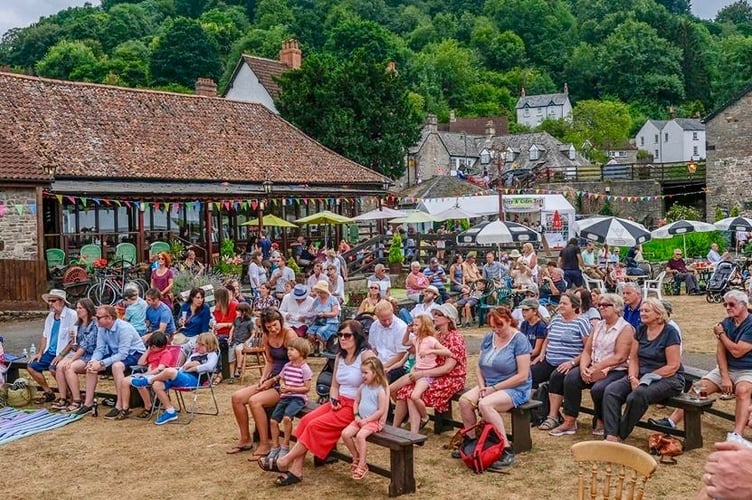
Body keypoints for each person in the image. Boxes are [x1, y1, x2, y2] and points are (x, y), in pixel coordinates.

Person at [257, 320, 376, 486]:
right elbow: (335, 385)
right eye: (339, 335)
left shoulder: (366, 355)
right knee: (306, 421)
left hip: (357, 406)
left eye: (347, 335)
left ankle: (285, 461)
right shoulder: (341, 356)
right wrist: (333, 398)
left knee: (314, 426)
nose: (342, 338)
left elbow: (378, 384)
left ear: (357, 336)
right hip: (339, 401)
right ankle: (296, 470)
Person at [651, 290, 752, 441]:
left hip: (747, 370)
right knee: (698, 386)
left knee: (743, 391)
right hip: (727, 369)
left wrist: (721, 334)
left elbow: (737, 351)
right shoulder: (726, 322)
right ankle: (671, 422)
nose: (728, 307)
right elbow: (720, 352)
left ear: (744, 305)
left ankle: (737, 434)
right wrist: (724, 376)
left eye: (731, 304)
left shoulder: (748, 325)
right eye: (725, 304)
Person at [455, 307, 532, 471]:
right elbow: (479, 365)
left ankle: (505, 448)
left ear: (509, 321)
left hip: (514, 387)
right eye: (493, 327)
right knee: (464, 401)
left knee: (485, 405)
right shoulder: (490, 337)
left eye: (500, 326)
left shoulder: (520, 340)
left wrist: (494, 388)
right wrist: (483, 386)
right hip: (490, 383)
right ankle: (471, 440)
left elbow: (523, 375)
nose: (497, 330)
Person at [548, 293, 634, 437]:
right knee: (570, 378)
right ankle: (570, 421)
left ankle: (601, 420)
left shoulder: (625, 328)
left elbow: (620, 356)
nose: (602, 308)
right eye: (600, 305)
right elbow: (587, 350)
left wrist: (596, 368)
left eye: (606, 305)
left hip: (615, 369)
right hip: (593, 365)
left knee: (599, 389)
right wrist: (583, 369)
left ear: (617, 308)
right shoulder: (598, 325)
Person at [602, 298, 684, 442]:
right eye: (641, 310)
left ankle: (620, 435)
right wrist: (633, 377)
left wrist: (646, 379)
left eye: (646, 311)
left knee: (638, 395)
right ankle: (610, 434)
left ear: (658, 314)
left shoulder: (670, 332)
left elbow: (673, 365)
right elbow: (633, 358)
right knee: (611, 391)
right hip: (641, 373)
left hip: (668, 377)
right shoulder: (640, 330)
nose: (642, 313)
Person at [227, 308, 297, 457]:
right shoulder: (267, 336)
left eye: (275, 325)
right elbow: (270, 362)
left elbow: (297, 364)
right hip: (273, 378)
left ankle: (266, 444)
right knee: (237, 397)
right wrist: (263, 379)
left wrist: (273, 380)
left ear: (281, 322)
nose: (272, 329)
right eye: (269, 327)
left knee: (255, 401)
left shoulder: (289, 335)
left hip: (289, 382)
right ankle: (245, 439)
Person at [392, 303, 467, 434]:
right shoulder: (437, 335)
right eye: (435, 314)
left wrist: (422, 373)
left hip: (451, 378)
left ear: (449, 319)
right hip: (432, 373)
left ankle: (414, 430)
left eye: (439, 315)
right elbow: (415, 349)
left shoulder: (455, 339)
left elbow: (448, 369)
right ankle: (398, 428)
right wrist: (417, 368)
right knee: (405, 390)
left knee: (411, 393)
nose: (435, 317)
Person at [533, 292, 591, 430]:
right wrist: (542, 354)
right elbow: (548, 338)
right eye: (560, 303)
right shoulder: (556, 319)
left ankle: (552, 417)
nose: (560, 306)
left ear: (574, 306)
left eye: (564, 303)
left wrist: (572, 362)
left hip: (569, 362)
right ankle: (534, 412)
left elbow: (588, 348)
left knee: (556, 377)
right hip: (550, 359)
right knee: (531, 374)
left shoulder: (581, 322)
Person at [133, 332, 219, 425]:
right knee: (157, 384)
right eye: (197, 343)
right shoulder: (194, 355)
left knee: (169, 371)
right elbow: (184, 367)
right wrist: (190, 365)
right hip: (183, 376)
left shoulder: (211, 354)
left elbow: (210, 367)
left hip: (194, 380)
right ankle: (170, 411)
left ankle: (148, 380)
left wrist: (196, 367)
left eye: (201, 345)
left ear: (210, 345)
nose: (198, 346)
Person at [85, 305, 146, 420]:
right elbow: (99, 349)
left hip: (135, 354)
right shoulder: (102, 328)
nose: (96, 320)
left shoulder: (124, 328)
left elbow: (123, 354)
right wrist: (93, 361)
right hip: (117, 353)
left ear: (109, 318)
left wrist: (102, 363)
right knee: (92, 367)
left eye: (98, 317)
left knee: (116, 366)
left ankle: (120, 404)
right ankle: (88, 403)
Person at [341, 357, 389, 480]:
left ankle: (362, 465)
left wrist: (367, 420)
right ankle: (356, 456)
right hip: (360, 419)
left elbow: (381, 410)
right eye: (361, 372)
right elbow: (356, 402)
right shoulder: (363, 387)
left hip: (372, 421)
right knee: (345, 434)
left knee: (360, 436)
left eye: (366, 373)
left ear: (375, 373)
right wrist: (356, 415)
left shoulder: (380, 391)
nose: (363, 375)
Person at [27, 289, 77, 405]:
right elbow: (44, 336)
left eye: (53, 301)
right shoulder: (50, 316)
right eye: (49, 301)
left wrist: (61, 355)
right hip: (50, 351)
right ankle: (48, 392)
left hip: (66, 353)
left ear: (62, 301)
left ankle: (68, 394)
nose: (50, 303)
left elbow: (73, 340)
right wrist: (39, 353)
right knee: (31, 366)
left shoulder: (72, 315)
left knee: (53, 368)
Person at [269, 337, 314, 461]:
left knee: (287, 418)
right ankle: (275, 446)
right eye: (288, 349)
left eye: (292, 349)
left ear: (302, 352)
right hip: (286, 396)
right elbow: (282, 377)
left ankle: (286, 445)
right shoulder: (287, 365)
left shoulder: (305, 369)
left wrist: (290, 388)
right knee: (273, 421)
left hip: (298, 398)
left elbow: (307, 388)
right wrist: (283, 384)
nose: (288, 352)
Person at [54, 298, 98, 413]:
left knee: (70, 367)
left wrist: (72, 359)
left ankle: (77, 400)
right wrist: (73, 340)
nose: (77, 310)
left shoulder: (94, 324)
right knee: (59, 366)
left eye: (80, 308)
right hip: (80, 353)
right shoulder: (78, 324)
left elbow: (86, 346)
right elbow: (76, 346)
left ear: (88, 309)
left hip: (91, 354)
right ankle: (64, 398)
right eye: (77, 308)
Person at [119, 331, 174, 419]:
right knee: (125, 381)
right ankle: (125, 408)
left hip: (158, 376)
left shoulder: (165, 353)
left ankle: (148, 406)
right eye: (151, 346)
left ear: (162, 346)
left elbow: (160, 368)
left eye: (154, 347)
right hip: (147, 374)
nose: (152, 348)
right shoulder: (151, 351)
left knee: (140, 383)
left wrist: (147, 374)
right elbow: (140, 362)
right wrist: (148, 350)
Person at [369, 301, 409, 383]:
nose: (387, 322)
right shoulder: (374, 326)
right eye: (383, 320)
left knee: (381, 380)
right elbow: (373, 349)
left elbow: (401, 354)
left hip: (397, 365)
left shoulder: (401, 327)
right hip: (379, 362)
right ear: (377, 317)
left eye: (389, 319)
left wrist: (382, 366)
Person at [307, 280, 340, 354]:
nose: (319, 294)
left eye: (321, 292)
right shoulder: (317, 300)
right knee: (310, 334)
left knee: (320, 333)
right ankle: (316, 348)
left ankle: (325, 347)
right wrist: (313, 314)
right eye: (318, 292)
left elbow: (335, 313)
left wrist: (324, 314)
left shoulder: (333, 299)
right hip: (318, 321)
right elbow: (311, 310)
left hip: (330, 322)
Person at [228, 302, 255, 383]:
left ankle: (238, 367)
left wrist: (248, 340)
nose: (236, 312)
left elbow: (253, 333)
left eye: (238, 311)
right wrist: (230, 338)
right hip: (235, 341)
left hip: (243, 342)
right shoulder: (236, 320)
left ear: (243, 312)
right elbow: (232, 329)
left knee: (238, 349)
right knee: (231, 358)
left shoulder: (249, 322)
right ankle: (232, 376)